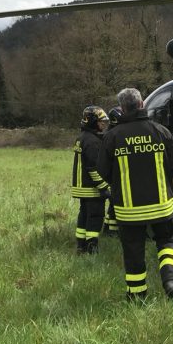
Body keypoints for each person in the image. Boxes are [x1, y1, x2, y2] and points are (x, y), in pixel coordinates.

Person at [100, 88, 173, 302]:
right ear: (141, 105)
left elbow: (102, 171)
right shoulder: (161, 131)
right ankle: (171, 282)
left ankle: (137, 297)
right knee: (166, 243)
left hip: (128, 211)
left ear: (122, 108)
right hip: (162, 207)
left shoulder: (112, 137)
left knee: (133, 251)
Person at [71, 106, 110, 254]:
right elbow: (93, 168)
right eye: (101, 122)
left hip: (81, 187)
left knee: (84, 215)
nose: (103, 125)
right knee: (95, 216)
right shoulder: (93, 141)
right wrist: (103, 187)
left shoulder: (81, 138)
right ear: (93, 121)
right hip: (91, 188)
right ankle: (92, 247)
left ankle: (81, 245)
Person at [102, 106, 124, 236]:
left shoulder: (112, 132)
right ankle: (112, 230)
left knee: (114, 201)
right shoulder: (112, 134)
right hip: (114, 173)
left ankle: (108, 228)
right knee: (115, 201)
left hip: (114, 172)